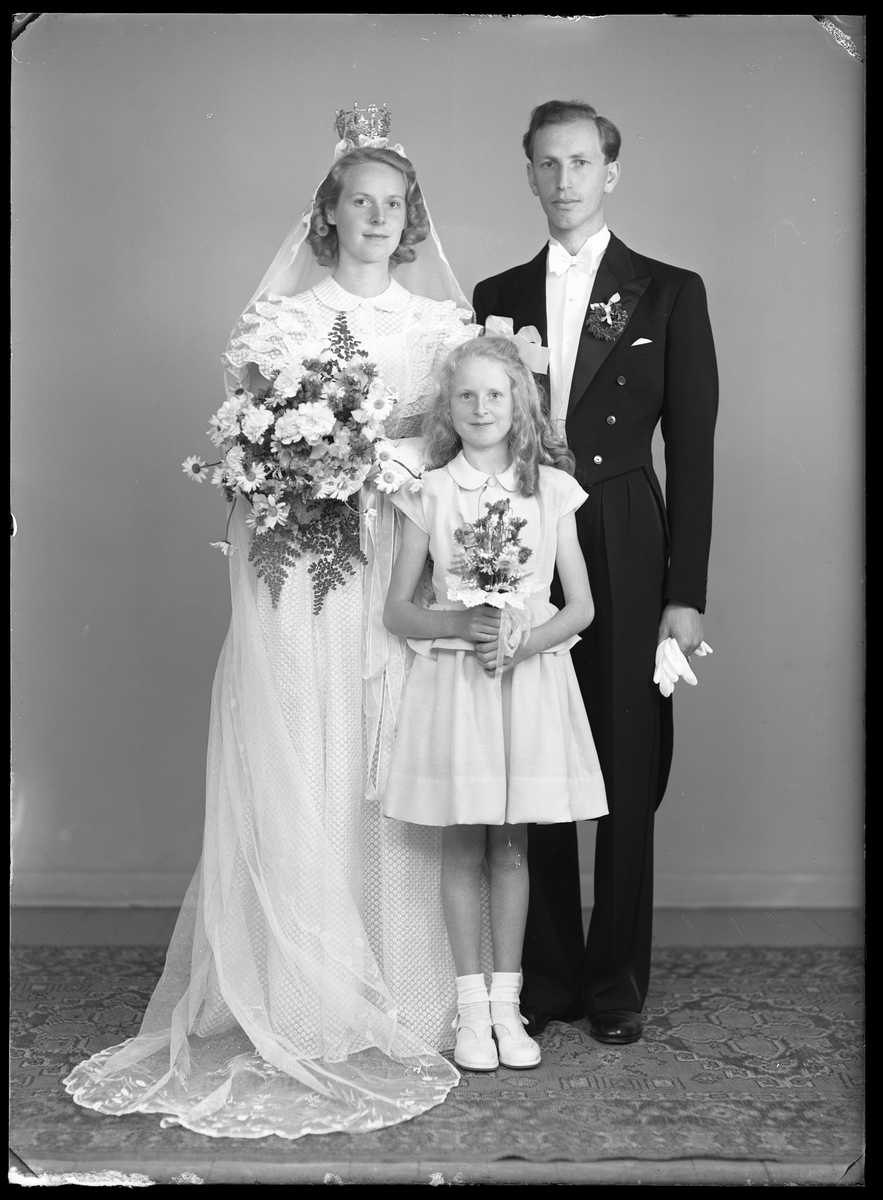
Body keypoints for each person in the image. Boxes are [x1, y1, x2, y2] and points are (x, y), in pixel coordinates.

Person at [64, 114, 481, 1139]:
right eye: (358, 201)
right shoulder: (282, 323)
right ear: (327, 214)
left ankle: (405, 990)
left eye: (393, 204)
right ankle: (298, 992)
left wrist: (402, 465)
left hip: (403, 557)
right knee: (304, 747)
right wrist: (313, 461)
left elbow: (465, 440)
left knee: (387, 752)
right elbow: (253, 455)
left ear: (410, 219)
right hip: (308, 568)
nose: (376, 219)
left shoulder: (441, 325)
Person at [473, 100, 718, 1046]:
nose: (564, 180)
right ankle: (544, 976)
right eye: (548, 163)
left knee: (625, 756)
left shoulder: (668, 291)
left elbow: (690, 453)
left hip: (622, 530)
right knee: (531, 748)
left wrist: (684, 594)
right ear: (529, 175)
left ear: (609, 172)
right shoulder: (496, 294)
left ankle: (614, 983)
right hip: (525, 533)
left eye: (580, 162)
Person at [381, 336, 608, 1072]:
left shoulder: (552, 490)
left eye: (495, 395)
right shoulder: (429, 492)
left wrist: (523, 642)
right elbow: (398, 611)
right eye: (466, 396)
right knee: (463, 843)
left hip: (526, 682)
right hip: (457, 686)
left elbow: (580, 607)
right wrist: (461, 623)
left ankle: (508, 1009)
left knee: (512, 847)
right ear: (447, 409)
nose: (481, 408)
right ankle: (471, 1015)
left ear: (520, 405)